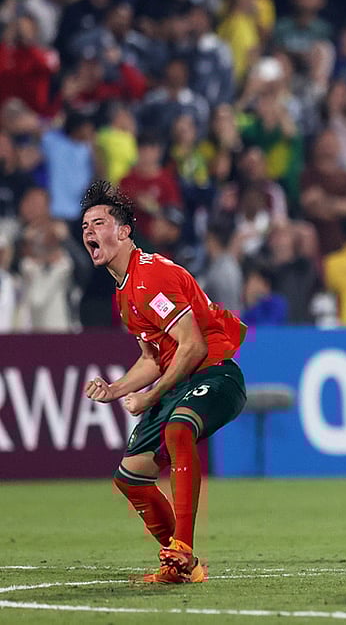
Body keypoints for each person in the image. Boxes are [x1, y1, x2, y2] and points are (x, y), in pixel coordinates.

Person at [80, 180, 247, 583]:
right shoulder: (124, 291)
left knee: (179, 427)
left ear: (123, 232)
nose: (88, 231)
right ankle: (182, 566)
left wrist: (149, 396)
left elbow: (190, 346)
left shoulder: (151, 275)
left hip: (215, 371)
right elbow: (153, 358)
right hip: (180, 381)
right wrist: (117, 388)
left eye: (98, 222)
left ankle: (181, 550)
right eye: (84, 225)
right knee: (131, 478)